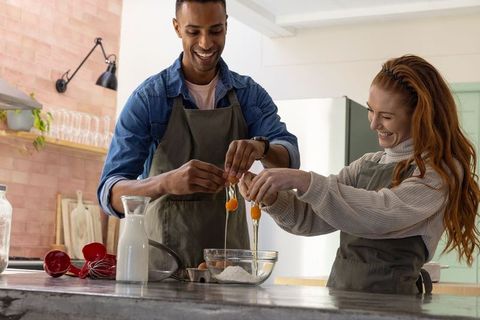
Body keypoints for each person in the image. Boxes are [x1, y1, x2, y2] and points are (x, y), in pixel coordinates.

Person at [240, 55, 480, 294]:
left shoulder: (437, 173)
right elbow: (310, 217)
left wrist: (304, 179)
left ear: (420, 117)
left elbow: (381, 213)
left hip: (394, 308)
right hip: (340, 302)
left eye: (386, 116)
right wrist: (270, 198)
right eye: (370, 110)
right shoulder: (367, 165)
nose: (374, 124)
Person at [97, 0, 299, 274]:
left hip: (231, 270)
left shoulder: (249, 95)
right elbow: (110, 193)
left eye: (215, 30)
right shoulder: (149, 99)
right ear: (177, 28)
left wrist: (261, 147)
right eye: (194, 32)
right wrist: (166, 182)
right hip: (161, 272)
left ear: (227, 25)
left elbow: (288, 157)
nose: (205, 43)